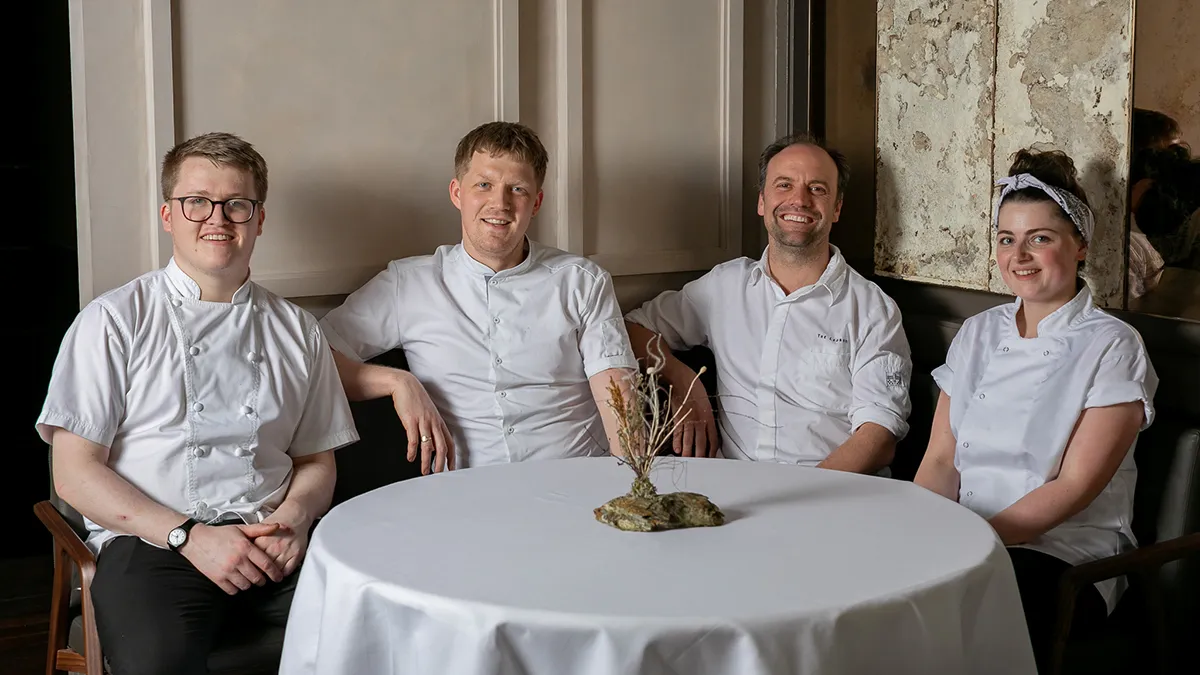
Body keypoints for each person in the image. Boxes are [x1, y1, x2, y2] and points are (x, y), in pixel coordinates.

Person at [36, 132, 359, 675]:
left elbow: (316, 459)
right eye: (197, 202)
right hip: (152, 544)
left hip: (271, 540)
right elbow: (72, 474)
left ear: (259, 219)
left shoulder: (298, 329)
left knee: (368, 638)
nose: (218, 218)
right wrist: (187, 535)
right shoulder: (114, 320)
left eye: (237, 204)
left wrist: (296, 520)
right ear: (168, 215)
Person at [913, 149, 1158, 672]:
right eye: (1006, 238)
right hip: (962, 537)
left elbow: (1072, 489)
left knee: (945, 622)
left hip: (1064, 557)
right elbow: (940, 460)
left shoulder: (1115, 345)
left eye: (1039, 238)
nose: (1018, 255)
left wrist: (965, 542)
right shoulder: (978, 332)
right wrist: (919, 531)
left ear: (1081, 247)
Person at [320, 121, 636, 472]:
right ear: (457, 193)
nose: (499, 204)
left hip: (575, 479)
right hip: (463, 492)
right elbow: (313, 356)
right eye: (483, 185)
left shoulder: (582, 281)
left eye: (517, 189)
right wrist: (397, 381)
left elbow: (618, 398)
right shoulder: (407, 284)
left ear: (536, 203)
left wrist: (630, 488)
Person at [623, 133, 912, 473]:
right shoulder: (725, 286)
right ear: (762, 202)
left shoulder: (873, 309)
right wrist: (680, 377)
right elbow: (631, 327)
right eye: (784, 185)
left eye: (817, 188)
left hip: (831, 498)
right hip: (734, 492)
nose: (799, 200)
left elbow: (878, 437)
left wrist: (798, 501)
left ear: (836, 209)